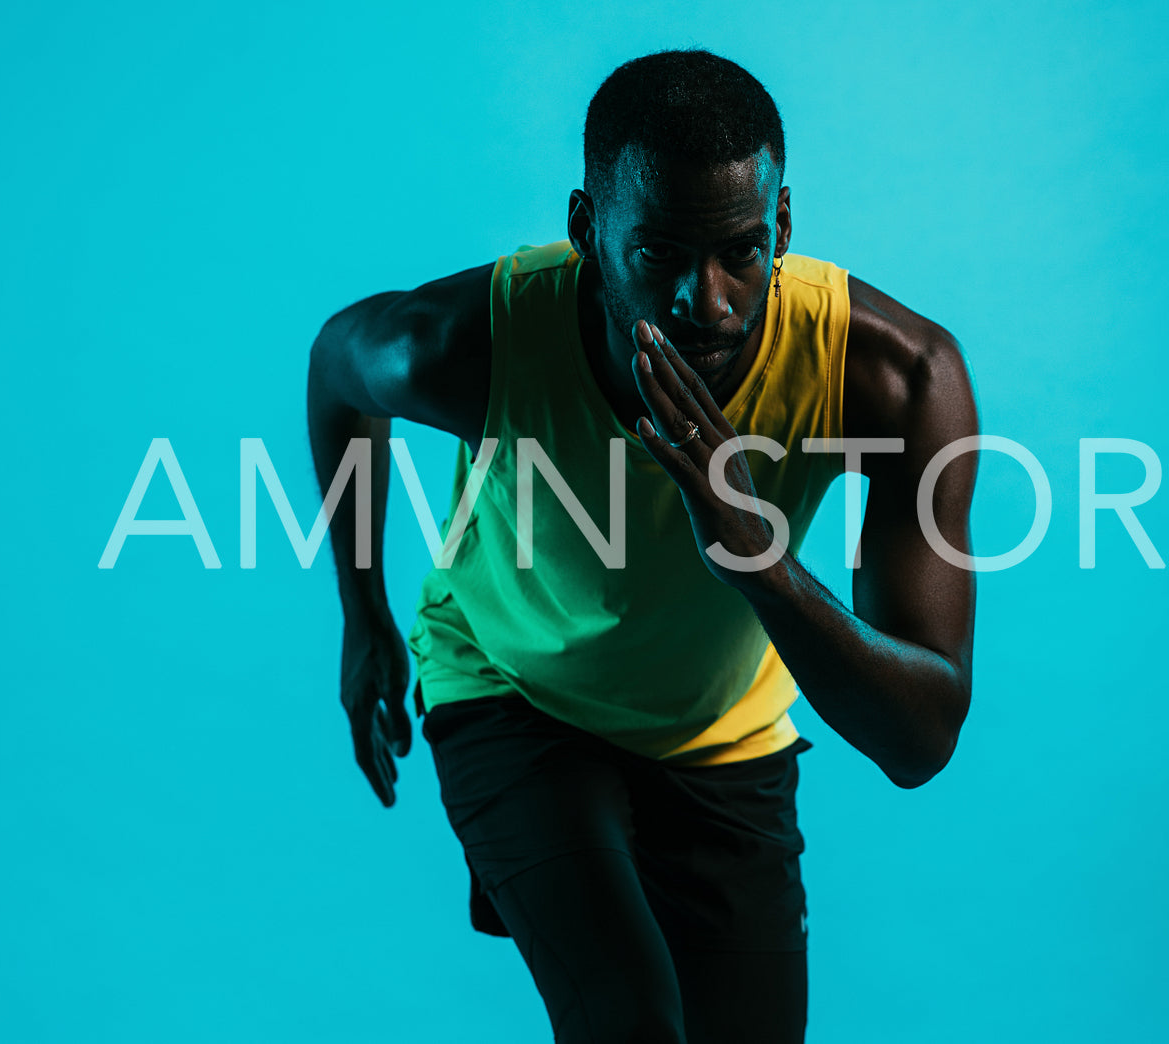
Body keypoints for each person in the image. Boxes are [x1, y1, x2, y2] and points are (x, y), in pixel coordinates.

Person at [306, 49, 978, 1044]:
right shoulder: (468, 345)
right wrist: (361, 612)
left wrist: (754, 556)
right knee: (629, 1022)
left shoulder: (890, 379)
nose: (701, 302)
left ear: (781, 227)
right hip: (514, 692)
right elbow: (335, 370)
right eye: (657, 253)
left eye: (739, 253)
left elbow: (918, 742)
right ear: (586, 231)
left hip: (721, 733)